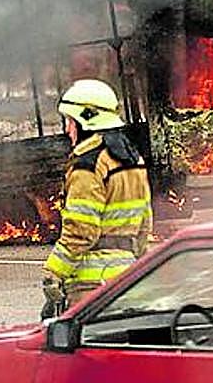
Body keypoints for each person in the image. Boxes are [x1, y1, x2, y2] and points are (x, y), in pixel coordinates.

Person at [41, 79, 153, 319]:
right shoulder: (132, 159)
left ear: (85, 120)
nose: (67, 130)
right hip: (127, 278)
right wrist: (138, 263)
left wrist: (54, 272)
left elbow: (81, 231)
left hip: (92, 288)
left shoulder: (87, 166)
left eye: (70, 122)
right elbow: (145, 220)